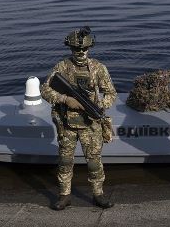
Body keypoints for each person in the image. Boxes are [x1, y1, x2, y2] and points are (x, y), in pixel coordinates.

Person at [41, 26, 117, 210]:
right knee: (65, 160)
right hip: (66, 124)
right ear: (70, 49)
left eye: (83, 49)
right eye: (76, 49)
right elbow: (45, 89)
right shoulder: (62, 67)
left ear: (89, 48)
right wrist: (65, 99)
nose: (80, 52)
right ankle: (64, 195)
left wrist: (101, 105)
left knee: (94, 162)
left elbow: (111, 93)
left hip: (90, 124)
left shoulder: (98, 68)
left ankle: (98, 194)